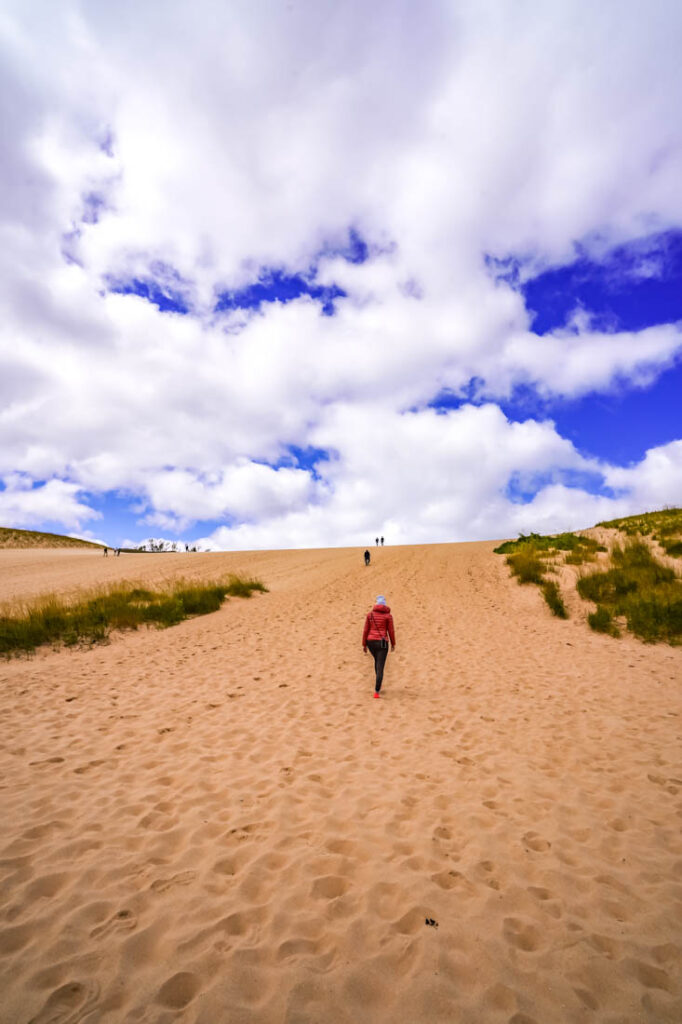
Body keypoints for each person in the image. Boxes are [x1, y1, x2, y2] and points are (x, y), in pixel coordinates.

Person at [362, 595, 396, 698]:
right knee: (380, 665)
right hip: (382, 643)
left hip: (370, 642)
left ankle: (378, 683)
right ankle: (377, 691)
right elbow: (391, 631)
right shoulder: (388, 616)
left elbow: (365, 630)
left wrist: (364, 644)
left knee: (377, 661)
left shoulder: (370, 615)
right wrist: (393, 643)